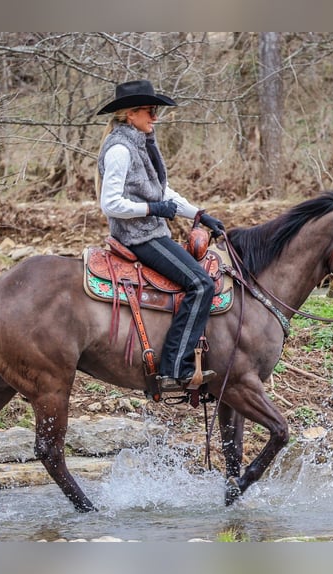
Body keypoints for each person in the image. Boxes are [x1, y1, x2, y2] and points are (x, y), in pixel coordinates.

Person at [95, 79, 225, 393]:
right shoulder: (120, 150)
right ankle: (175, 368)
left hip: (150, 230)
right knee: (200, 283)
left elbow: (161, 191)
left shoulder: (141, 143)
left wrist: (198, 214)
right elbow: (110, 203)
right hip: (138, 236)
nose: (155, 117)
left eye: (156, 111)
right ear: (130, 114)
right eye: (150, 111)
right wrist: (153, 209)